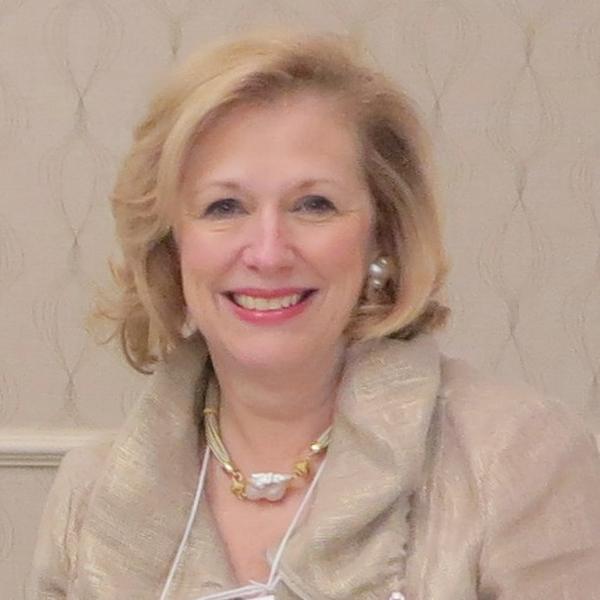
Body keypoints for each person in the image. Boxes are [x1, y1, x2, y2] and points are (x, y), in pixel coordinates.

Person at [29, 29, 600, 600]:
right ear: (171, 244)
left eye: (313, 205)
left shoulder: (516, 458)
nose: (268, 253)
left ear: (383, 234)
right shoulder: (90, 498)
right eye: (224, 206)